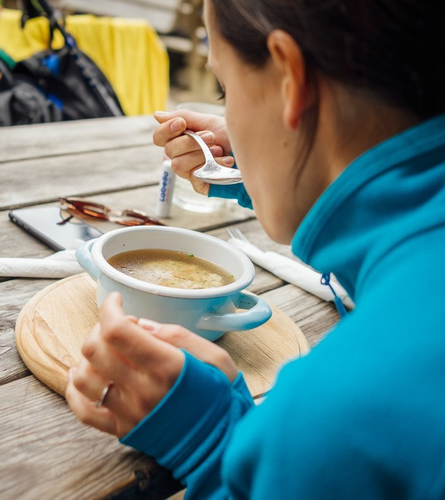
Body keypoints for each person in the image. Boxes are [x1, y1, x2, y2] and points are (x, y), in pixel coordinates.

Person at [66, 0, 445, 498]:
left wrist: (210, 443)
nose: (227, 112)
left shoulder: (335, 413)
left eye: (226, 87)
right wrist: (276, 163)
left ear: (290, 78)